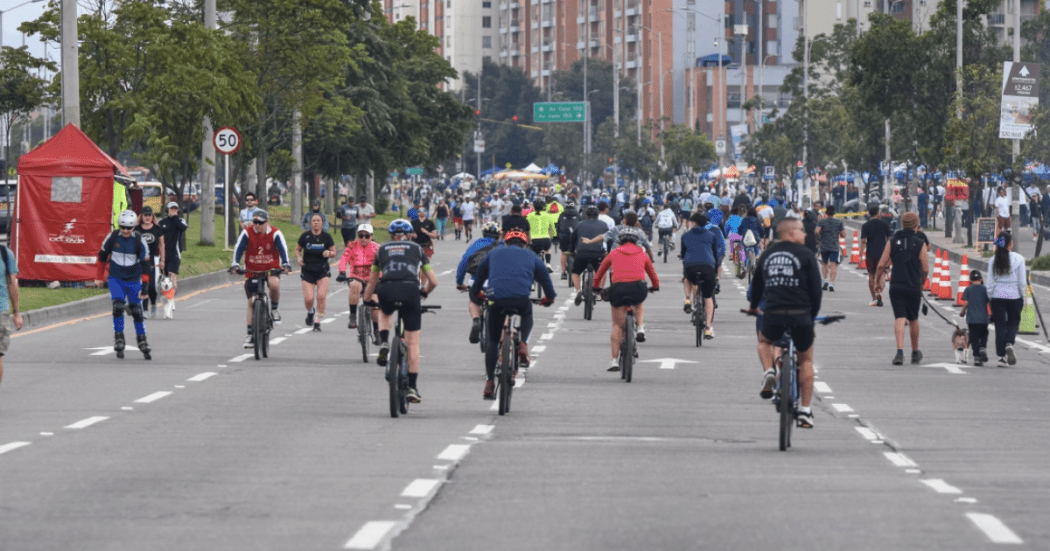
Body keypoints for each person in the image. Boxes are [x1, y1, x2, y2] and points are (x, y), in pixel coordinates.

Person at [745, 217, 823, 428]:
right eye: (800, 230)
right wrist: (812, 319)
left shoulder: (768, 254)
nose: (805, 234)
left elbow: (758, 285)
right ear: (788, 233)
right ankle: (805, 410)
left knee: (764, 341)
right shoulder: (807, 255)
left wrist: (753, 307)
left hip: (774, 312)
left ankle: (769, 370)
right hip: (801, 314)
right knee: (806, 359)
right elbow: (816, 292)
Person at [470, 228, 555, 399]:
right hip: (520, 300)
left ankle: (489, 382)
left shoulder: (493, 254)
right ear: (525, 243)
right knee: (527, 312)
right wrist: (549, 298)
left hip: (496, 299)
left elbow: (478, 280)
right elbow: (545, 279)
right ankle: (523, 343)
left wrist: (477, 295)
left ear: (506, 242)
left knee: (493, 342)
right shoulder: (531, 256)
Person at [363, 219, 439, 403]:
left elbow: (373, 280)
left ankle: (384, 341)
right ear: (410, 234)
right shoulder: (417, 250)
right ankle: (412, 387)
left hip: (387, 289)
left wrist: (366, 299)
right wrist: (424, 292)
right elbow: (434, 281)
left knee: (384, 310)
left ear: (390, 235)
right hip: (411, 291)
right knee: (412, 343)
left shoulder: (381, 250)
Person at [593, 227, 659, 371]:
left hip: (618, 289)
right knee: (639, 302)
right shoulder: (642, 253)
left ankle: (614, 360)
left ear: (619, 240)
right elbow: (652, 273)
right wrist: (655, 286)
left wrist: (595, 287)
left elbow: (600, 273)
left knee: (617, 325)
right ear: (636, 241)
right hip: (638, 288)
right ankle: (640, 327)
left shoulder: (614, 253)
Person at [231, 210, 291, 348]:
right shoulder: (247, 232)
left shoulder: (276, 233)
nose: (258, 225)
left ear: (267, 222)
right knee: (252, 301)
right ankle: (250, 334)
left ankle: (274, 309)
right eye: (256, 222)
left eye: (261, 223)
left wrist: (286, 264)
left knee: (274, 284)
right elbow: (238, 249)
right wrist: (235, 264)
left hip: (271, 268)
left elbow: (283, 250)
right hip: (252, 269)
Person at [874, 212, 929, 366]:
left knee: (899, 317)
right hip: (913, 286)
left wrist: (877, 282)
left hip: (896, 285)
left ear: (902, 224)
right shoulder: (920, 243)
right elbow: (925, 268)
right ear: (916, 225)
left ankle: (899, 352)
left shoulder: (892, 241)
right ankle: (915, 352)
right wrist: (922, 283)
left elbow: (881, 264)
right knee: (913, 318)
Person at [97, 210, 152, 359]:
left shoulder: (139, 240)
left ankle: (142, 339)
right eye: (122, 227)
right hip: (116, 278)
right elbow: (102, 256)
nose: (125, 231)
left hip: (133, 279)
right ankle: (119, 337)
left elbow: (146, 265)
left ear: (134, 227)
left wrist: (146, 286)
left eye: (129, 228)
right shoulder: (113, 237)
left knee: (136, 311)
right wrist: (99, 277)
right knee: (118, 306)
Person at [456, 222, 503, 343]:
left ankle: (476, 320)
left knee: (474, 301)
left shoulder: (476, 244)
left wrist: (460, 282)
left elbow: (464, 263)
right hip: (496, 283)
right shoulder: (502, 246)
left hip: (476, 282)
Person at [680, 212, 722, 338]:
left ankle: (688, 299)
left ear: (693, 223)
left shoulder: (685, 236)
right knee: (708, 297)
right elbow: (715, 255)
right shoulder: (711, 235)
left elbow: (683, 254)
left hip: (691, 267)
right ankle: (708, 327)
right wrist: (714, 273)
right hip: (708, 267)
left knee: (687, 278)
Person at [987, 233, 1026, 367]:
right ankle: (1009, 343)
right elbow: (1022, 281)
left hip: (998, 296)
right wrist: (1023, 296)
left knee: (1000, 325)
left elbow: (990, 282)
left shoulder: (993, 259)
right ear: (1010, 244)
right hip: (1014, 295)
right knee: (1013, 322)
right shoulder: (1019, 259)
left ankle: (1001, 355)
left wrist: (989, 297)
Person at [296, 213, 337, 331]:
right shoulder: (305, 237)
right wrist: (299, 258)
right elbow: (298, 249)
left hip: (322, 270)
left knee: (321, 296)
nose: (316, 222)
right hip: (307, 271)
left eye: (318, 220)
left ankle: (317, 321)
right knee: (309, 299)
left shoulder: (327, 237)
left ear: (322, 223)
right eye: (313, 220)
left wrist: (329, 254)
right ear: (310, 223)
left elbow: (333, 251)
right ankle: (310, 311)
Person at [336, 223, 379, 332]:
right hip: (356, 276)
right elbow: (344, 259)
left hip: (372, 279)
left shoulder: (377, 248)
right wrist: (342, 272)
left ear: (372, 236)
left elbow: (385, 262)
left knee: (375, 306)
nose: (363, 238)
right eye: (361, 236)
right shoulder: (352, 245)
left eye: (367, 236)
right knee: (355, 285)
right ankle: (353, 316)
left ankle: (376, 329)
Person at [569, 205, 608, 304]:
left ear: (585, 215)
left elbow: (572, 240)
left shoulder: (579, 224)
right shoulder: (603, 225)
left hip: (582, 253)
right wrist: (608, 251)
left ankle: (578, 291)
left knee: (576, 272)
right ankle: (597, 292)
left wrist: (571, 251)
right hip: (597, 253)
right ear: (597, 215)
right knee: (600, 272)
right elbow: (609, 239)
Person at [135, 206, 165, 319]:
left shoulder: (157, 229)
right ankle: (145, 310)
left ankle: (153, 304)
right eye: (145, 215)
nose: (147, 218)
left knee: (152, 287)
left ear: (152, 217)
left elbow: (162, 245)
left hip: (153, 261)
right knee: (144, 285)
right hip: (140, 261)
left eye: (149, 215)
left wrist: (162, 260)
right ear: (141, 216)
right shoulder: (137, 229)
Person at [860, 203, 893, 307]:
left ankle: (874, 298)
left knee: (871, 275)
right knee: (882, 275)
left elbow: (863, 241)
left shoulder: (865, 226)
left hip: (870, 254)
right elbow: (889, 239)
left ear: (869, 214)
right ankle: (879, 293)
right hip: (883, 254)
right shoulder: (885, 224)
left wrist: (860, 254)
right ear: (878, 213)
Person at [158, 202, 187, 315]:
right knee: (165, 278)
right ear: (167, 210)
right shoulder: (162, 222)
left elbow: (183, 228)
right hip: (164, 253)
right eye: (171, 209)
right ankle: (169, 298)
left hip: (175, 253)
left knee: (172, 274)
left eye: (175, 209)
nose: (173, 210)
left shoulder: (180, 221)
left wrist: (175, 217)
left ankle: (171, 299)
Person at [0, 239, 22, 382]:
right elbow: (12, 284)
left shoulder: (5, 253)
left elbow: (13, 284)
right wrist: (16, 312)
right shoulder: (5, 253)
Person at [959, 269, 990, 366]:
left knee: (974, 338)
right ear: (981, 279)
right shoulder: (985, 289)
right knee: (984, 334)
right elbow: (989, 303)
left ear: (970, 280)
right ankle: (982, 348)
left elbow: (966, 303)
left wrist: (962, 312)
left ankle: (976, 357)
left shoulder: (968, 289)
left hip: (972, 319)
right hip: (983, 319)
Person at [814, 205, 845, 291]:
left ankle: (825, 280)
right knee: (833, 265)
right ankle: (831, 283)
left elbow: (816, 231)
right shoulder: (839, 222)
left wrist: (819, 237)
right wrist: (839, 234)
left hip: (824, 246)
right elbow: (844, 234)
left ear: (826, 213)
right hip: (834, 246)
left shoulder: (822, 222)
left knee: (824, 263)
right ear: (834, 213)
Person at [526, 199, 555, 273]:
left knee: (532, 253)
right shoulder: (548, 216)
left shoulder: (529, 216)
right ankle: (548, 264)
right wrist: (553, 236)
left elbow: (526, 228)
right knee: (547, 250)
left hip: (534, 240)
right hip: (546, 240)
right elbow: (552, 229)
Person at [556, 201, 579, 279]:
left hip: (564, 236)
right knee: (577, 252)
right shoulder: (577, 214)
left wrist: (557, 237)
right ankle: (577, 270)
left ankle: (563, 273)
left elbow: (558, 226)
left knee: (564, 253)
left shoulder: (562, 215)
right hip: (575, 236)